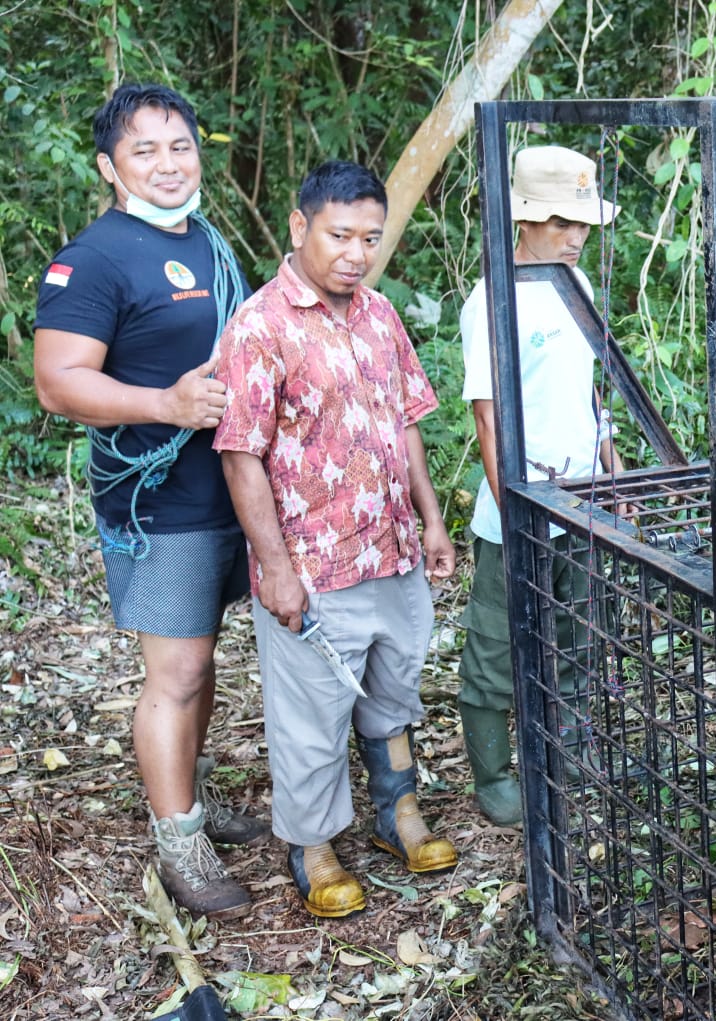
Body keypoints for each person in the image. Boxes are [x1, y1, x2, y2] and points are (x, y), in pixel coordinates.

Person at [32, 83, 265, 920]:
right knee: (177, 671)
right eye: (144, 150)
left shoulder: (204, 237)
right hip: (156, 499)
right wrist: (164, 404)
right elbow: (58, 383)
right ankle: (178, 845)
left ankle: (190, 798)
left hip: (228, 486)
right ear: (108, 166)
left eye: (180, 146)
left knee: (203, 662)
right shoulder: (92, 258)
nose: (168, 164)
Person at [214, 160, 458, 918]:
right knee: (311, 716)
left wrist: (432, 518)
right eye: (340, 235)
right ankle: (313, 846)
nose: (356, 253)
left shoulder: (380, 314)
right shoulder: (259, 326)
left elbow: (406, 423)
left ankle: (399, 814)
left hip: (391, 552)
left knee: (393, 694)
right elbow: (239, 453)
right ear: (300, 228)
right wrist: (276, 569)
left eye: (370, 238)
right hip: (313, 568)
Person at [457, 145, 624, 826]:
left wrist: (611, 465)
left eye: (582, 223)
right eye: (561, 222)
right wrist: (514, 509)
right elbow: (487, 420)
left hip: (580, 500)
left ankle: (568, 753)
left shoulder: (574, 286)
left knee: (580, 631)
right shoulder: (491, 300)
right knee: (498, 643)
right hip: (518, 512)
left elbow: (585, 391)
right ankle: (495, 774)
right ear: (525, 220)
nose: (575, 235)